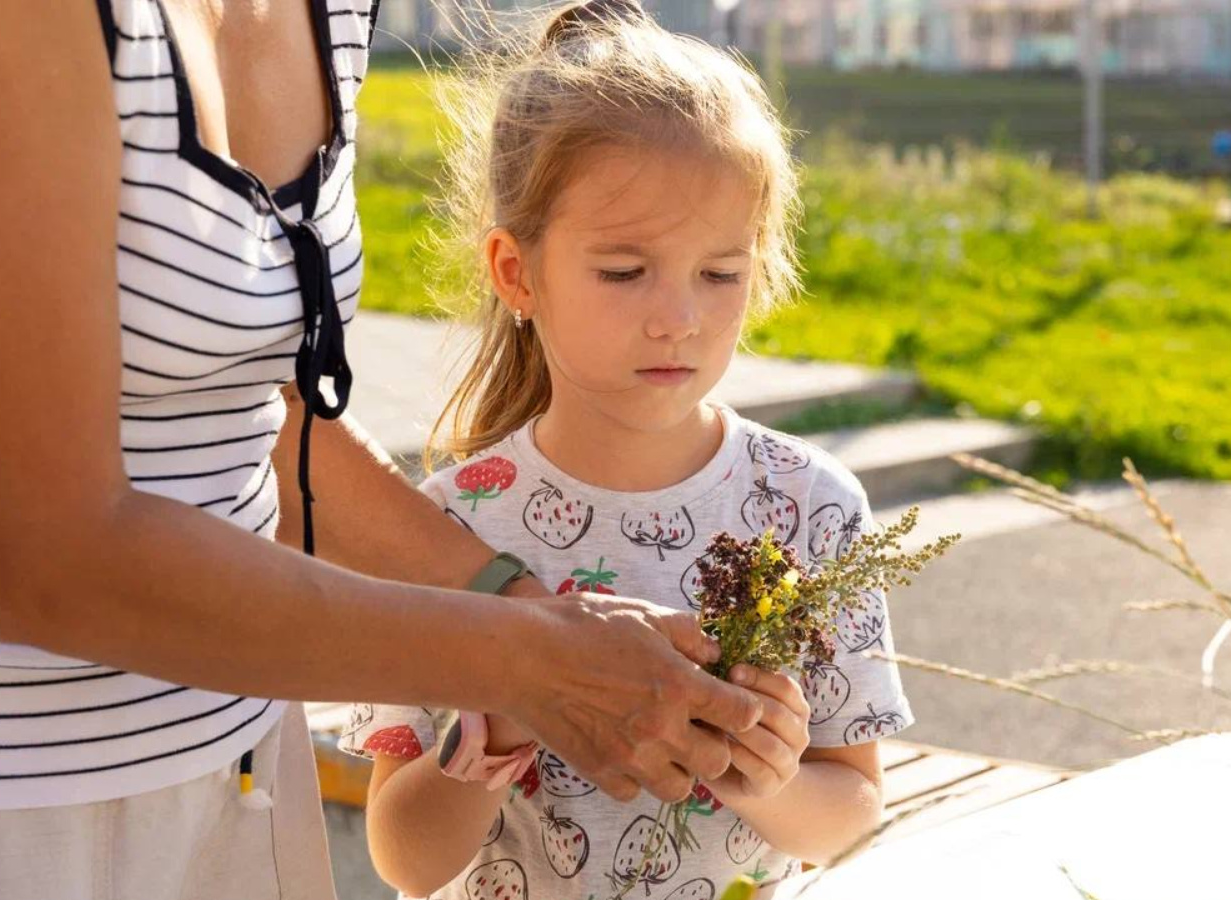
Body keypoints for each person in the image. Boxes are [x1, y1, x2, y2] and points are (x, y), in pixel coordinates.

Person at [0, 1, 761, 896]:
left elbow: (240, 410)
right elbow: (37, 556)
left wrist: (516, 597)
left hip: (238, 763)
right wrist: (525, 659)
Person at [340, 3, 914, 897]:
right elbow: (405, 860)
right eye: (623, 270)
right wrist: (500, 716)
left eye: (720, 273)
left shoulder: (811, 506)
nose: (677, 318)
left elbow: (849, 810)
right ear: (516, 273)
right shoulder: (451, 531)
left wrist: (764, 778)